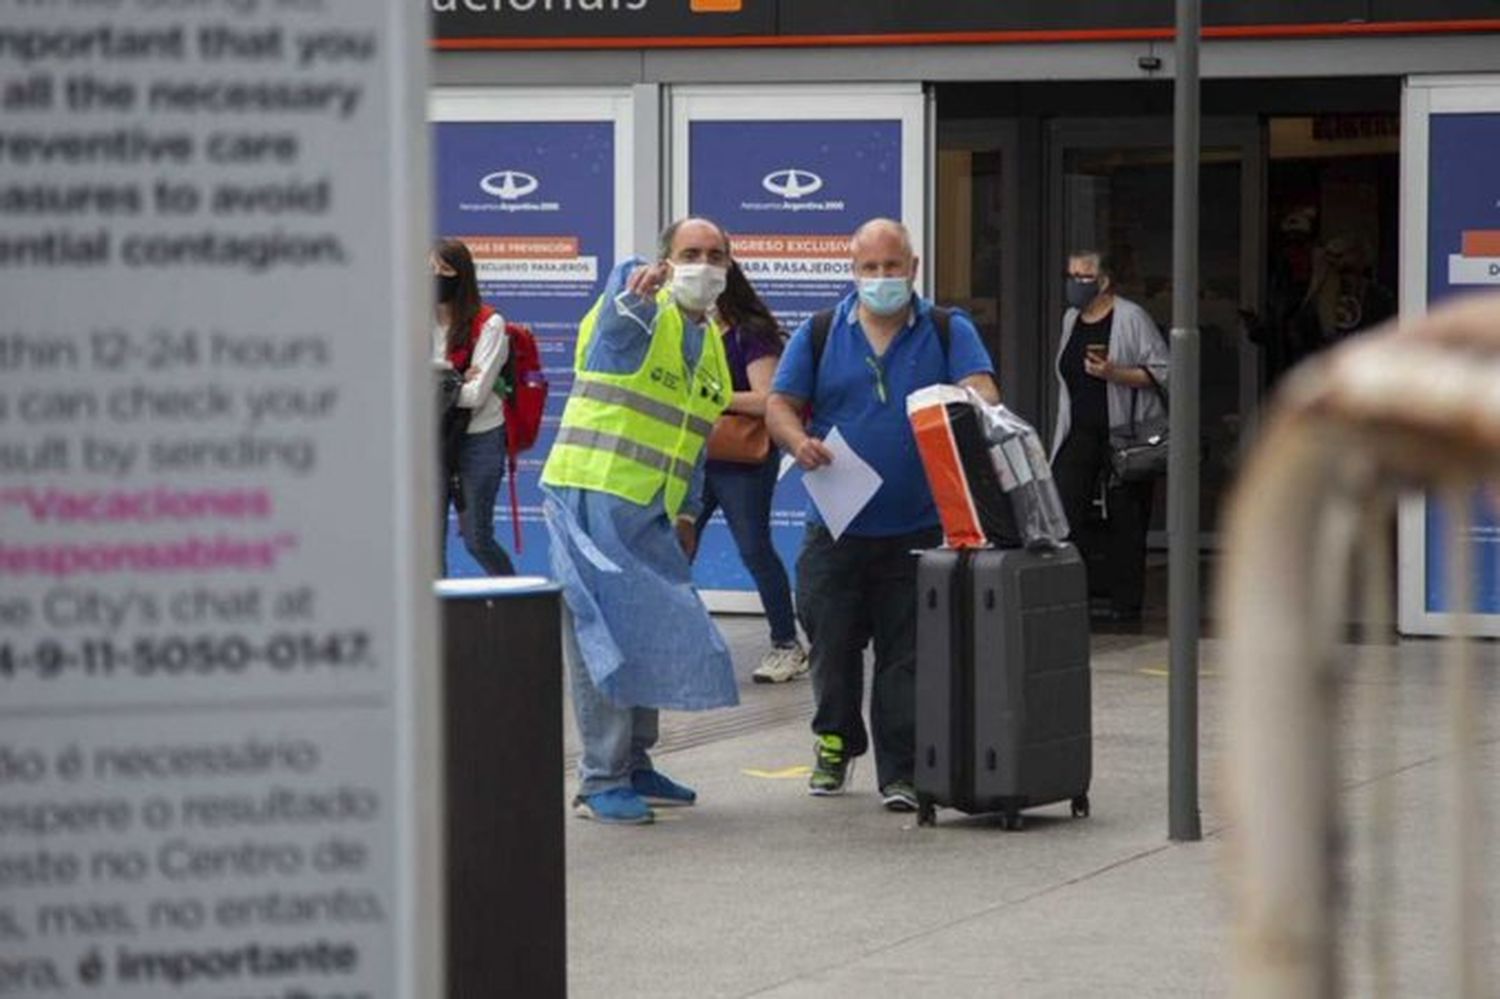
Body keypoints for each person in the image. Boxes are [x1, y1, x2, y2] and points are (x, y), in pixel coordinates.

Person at [765, 218, 998, 812]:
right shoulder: (819, 332)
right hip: (837, 524)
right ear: (854, 271)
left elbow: (985, 393)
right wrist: (796, 442)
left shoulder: (948, 329)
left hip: (919, 524)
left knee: (906, 655)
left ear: (913, 269)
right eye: (869, 269)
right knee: (831, 641)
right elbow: (780, 405)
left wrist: (967, 403)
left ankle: (900, 770)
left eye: (892, 267)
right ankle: (836, 740)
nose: (881, 279)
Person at [540, 217, 738, 826]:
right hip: (592, 496)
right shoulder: (639, 313)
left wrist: (684, 510)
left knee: (649, 631)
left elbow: (695, 437)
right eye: (689, 253)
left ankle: (636, 762)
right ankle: (601, 778)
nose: (702, 265)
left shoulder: (709, 346)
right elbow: (613, 340)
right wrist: (631, 299)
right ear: (665, 261)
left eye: (714, 255)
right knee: (602, 639)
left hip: (651, 509)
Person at [695, 261, 807, 684]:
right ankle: (682, 642)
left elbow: (768, 399)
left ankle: (786, 644)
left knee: (753, 548)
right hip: (696, 455)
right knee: (674, 547)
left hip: (741, 460)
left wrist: (712, 398)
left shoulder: (750, 332)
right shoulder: (693, 331)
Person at [1049, 250, 1169, 624]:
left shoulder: (1130, 317)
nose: (1075, 284)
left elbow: (1163, 371)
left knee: (1127, 519)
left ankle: (1125, 605)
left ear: (1103, 281)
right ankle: (1072, 595)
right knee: (1065, 510)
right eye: (1071, 275)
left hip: (1125, 434)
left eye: (1084, 277)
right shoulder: (1071, 319)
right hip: (1080, 430)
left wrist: (1116, 374)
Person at [432, 238, 515, 577]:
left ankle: (516, 602)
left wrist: (438, 381)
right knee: (427, 543)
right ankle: (433, 621)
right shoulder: (413, 321)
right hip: (432, 440)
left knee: (477, 538)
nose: (435, 276)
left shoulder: (490, 323)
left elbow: (476, 396)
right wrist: (454, 380)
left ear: (462, 274)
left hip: (480, 438)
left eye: (444, 269)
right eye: (428, 269)